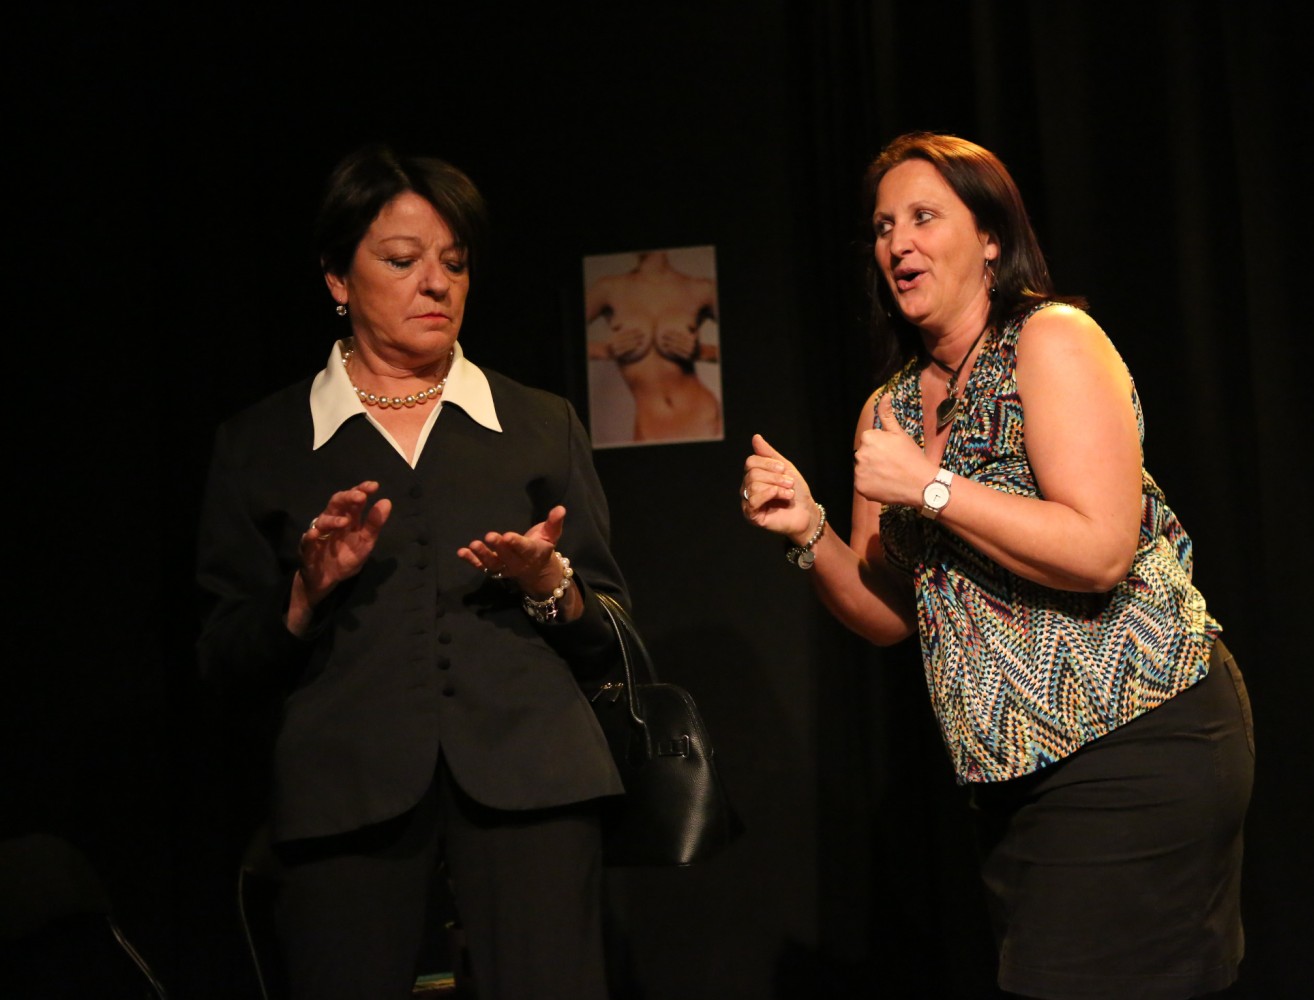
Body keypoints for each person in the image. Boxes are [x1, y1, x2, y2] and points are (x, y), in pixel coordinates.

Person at [740, 132, 1254, 999]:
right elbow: (889, 614)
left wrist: (930, 487)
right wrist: (809, 531)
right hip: (1011, 777)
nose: (898, 243)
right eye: (883, 226)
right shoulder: (890, 410)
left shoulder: (1049, 341)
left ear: (989, 237)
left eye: (924, 217)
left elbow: (1100, 550)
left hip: (1138, 733)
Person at [197, 145, 627, 1000]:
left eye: (454, 263)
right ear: (338, 278)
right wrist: (305, 593)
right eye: (402, 260)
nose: (436, 283)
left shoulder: (538, 424)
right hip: (343, 793)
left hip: (534, 782)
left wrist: (549, 586)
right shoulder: (262, 444)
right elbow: (220, 656)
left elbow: (612, 629)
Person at [585, 249, 722, 443]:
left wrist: (702, 351)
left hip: (703, 419)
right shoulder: (609, 288)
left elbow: (748, 346)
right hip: (650, 428)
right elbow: (561, 340)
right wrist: (605, 350)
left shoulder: (699, 288)